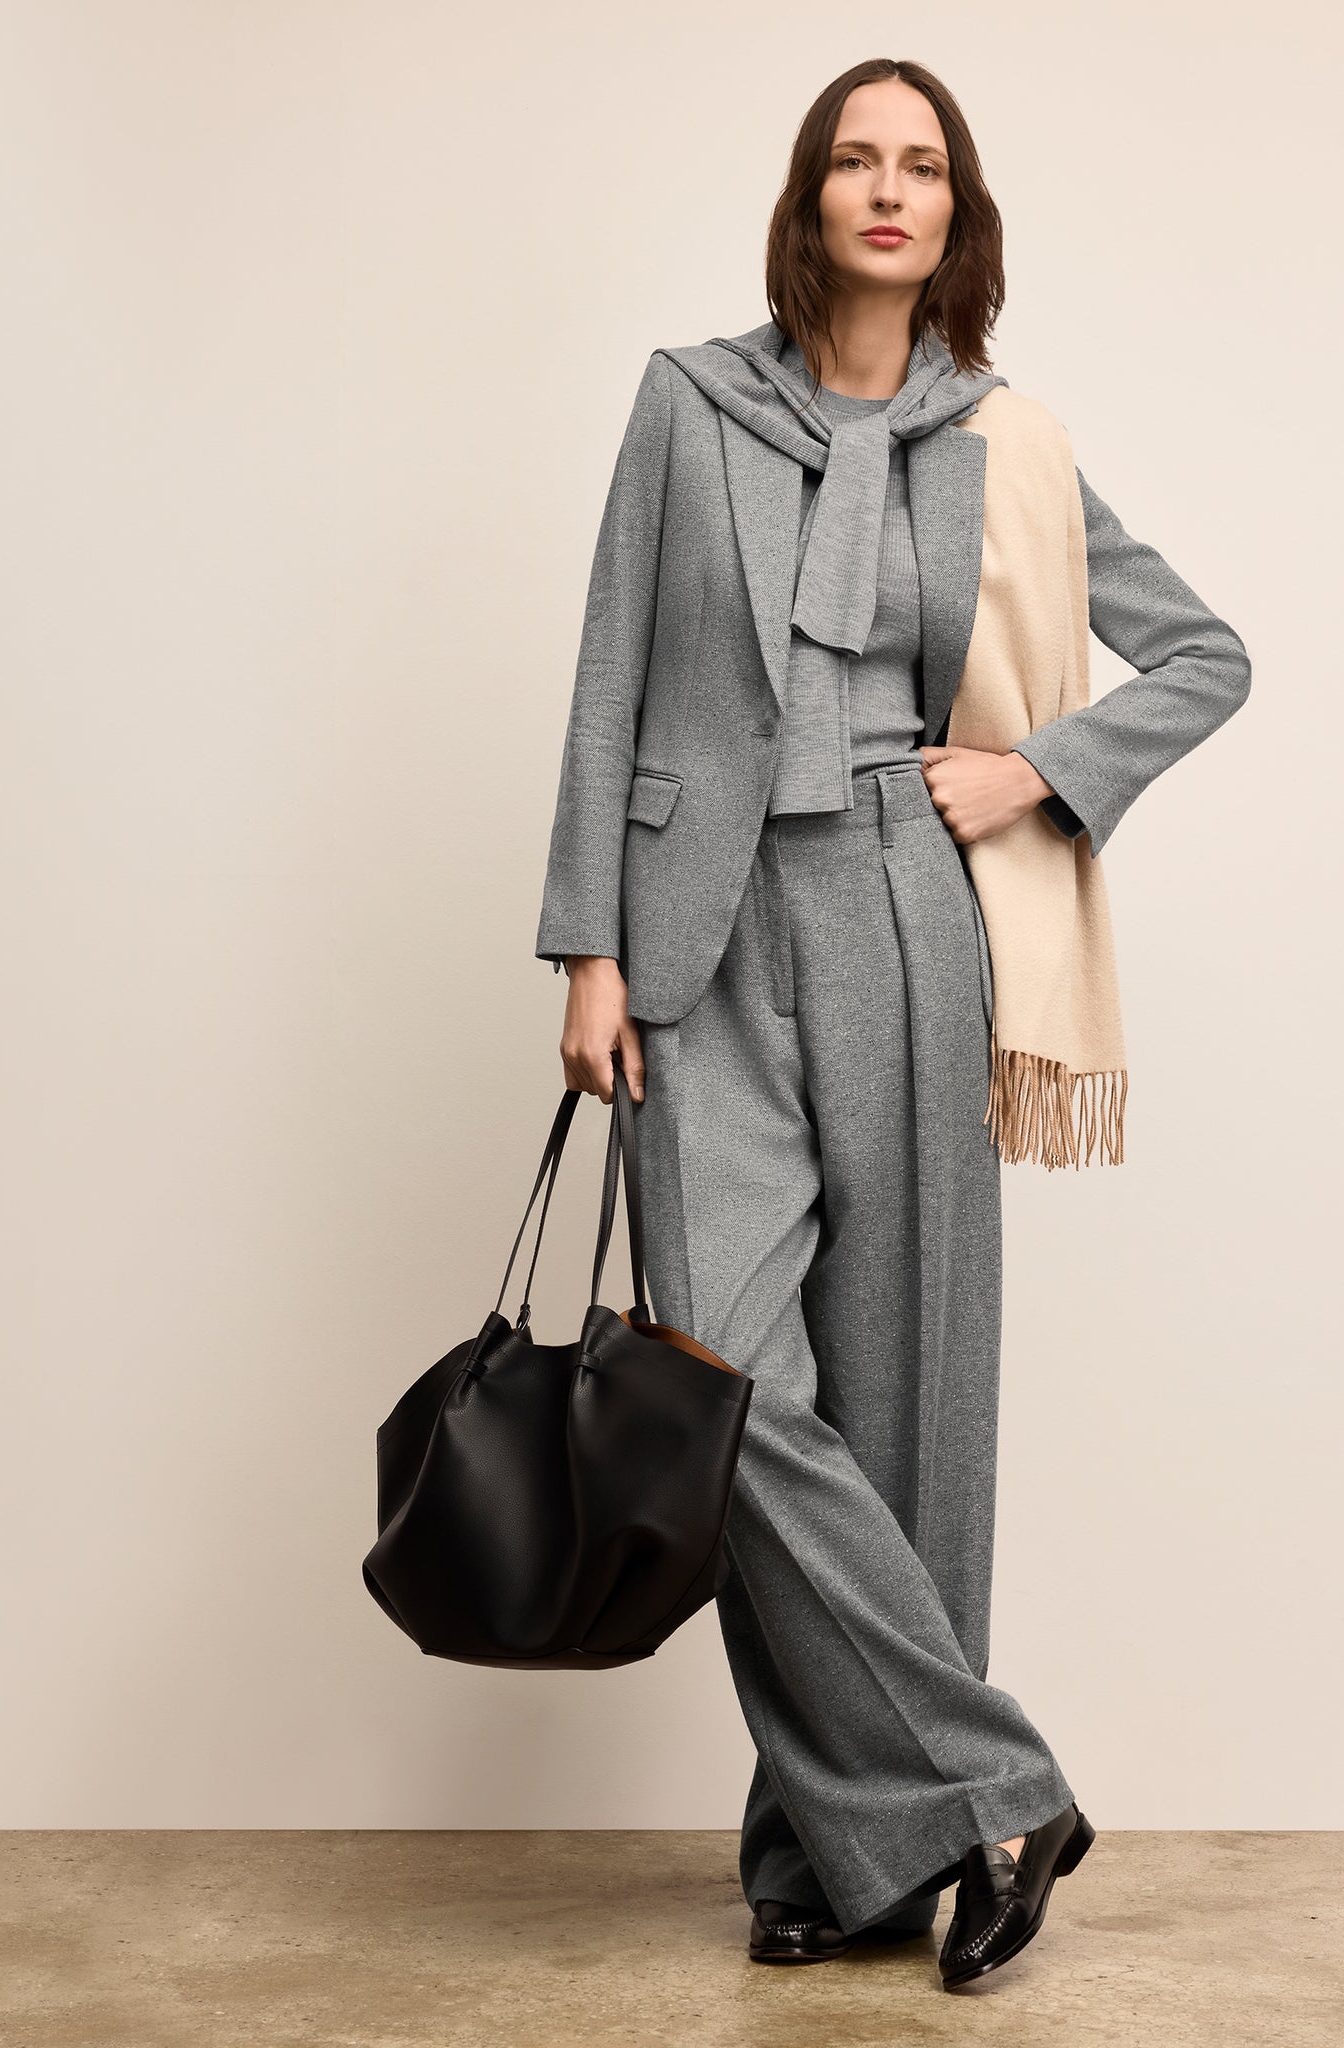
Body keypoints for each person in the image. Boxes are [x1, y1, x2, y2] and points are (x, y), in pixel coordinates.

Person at [532, 57, 1250, 1991]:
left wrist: (1036, 775)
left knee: (911, 1398)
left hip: (909, 911)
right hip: (700, 932)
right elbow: (612, 671)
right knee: (726, 1383)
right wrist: (588, 949)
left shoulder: (1000, 441)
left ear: (956, 213)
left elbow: (1206, 654)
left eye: (921, 164)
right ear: (809, 194)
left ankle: (834, 1857)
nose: (886, 188)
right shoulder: (691, 402)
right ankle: (995, 1789)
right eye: (856, 157)